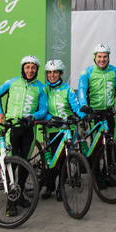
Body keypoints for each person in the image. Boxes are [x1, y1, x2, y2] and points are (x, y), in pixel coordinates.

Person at [0, 55, 48, 215]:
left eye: (33, 68)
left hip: (28, 130)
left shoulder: (41, 88)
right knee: (12, 164)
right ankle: (11, 202)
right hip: (12, 129)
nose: (30, 70)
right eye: (27, 67)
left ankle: (19, 194)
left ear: (37, 70)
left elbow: (43, 109)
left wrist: (34, 116)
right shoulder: (12, 82)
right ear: (23, 68)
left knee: (25, 164)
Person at [78, 44, 116, 190]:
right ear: (95, 57)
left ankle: (106, 173)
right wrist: (84, 105)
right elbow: (81, 90)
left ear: (108, 57)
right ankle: (97, 176)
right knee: (97, 146)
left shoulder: (113, 71)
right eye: (99, 57)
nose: (102, 59)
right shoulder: (87, 72)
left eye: (105, 57)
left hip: (109, 113)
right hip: (95, 114)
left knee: (109, 145)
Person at [42, 59, 83, 200]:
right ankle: (49, 186)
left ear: (60, 74)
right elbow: (42, 109)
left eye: (55, 72)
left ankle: (61, 187)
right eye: (49, 73)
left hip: (68, 129)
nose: (52, 75)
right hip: (52, 129)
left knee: (64, 158)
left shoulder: (67, 89)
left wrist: (82, 115)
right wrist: (50, 118)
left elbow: (75, 106)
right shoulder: (44, 90)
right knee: (53, 159)